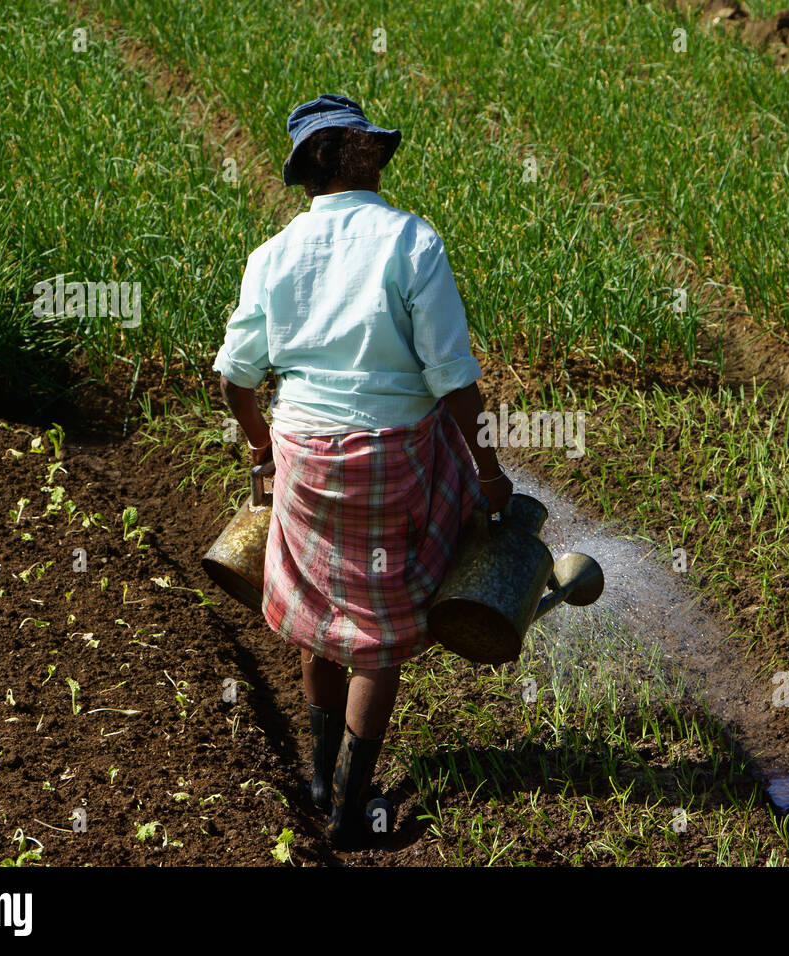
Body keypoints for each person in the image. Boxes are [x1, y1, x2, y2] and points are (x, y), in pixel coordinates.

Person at [213, 94, 513, 849]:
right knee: (377, 636)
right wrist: (486, 471)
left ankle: (319, 779)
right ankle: (350, 809)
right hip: (390, 457)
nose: (380, 155)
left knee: (319, 616)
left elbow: (235, 380)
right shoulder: (412, 241)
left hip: (305, 454)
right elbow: (454, 381)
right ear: (343, 158)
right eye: (367, 145)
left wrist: (261, 448)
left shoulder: (273, 254)